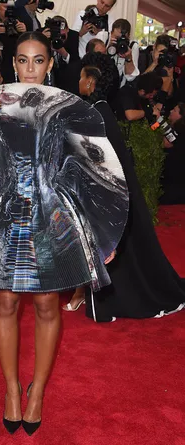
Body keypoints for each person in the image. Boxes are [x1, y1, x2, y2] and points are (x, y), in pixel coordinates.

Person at [0, 31, 129, 434]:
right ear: (13, 63)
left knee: (45, 304)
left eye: (38, 60)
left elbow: (93, 170)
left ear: (50, 64)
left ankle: (36, 391)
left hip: (51, 214)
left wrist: (99, 235)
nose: (29, 69)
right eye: (22, 60)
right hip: (3, 212)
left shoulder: (67, 108)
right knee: (5, 300)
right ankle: (10, 389)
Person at [63, 51, 185, 321]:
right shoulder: (100, 110)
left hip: (107, 193)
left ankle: (91, 292)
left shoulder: (97, 113)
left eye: (82, 76)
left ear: (91, 81)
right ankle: (81, 289)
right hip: (108, 190)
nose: (79, 81)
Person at [159, 103, 185, 205]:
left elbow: (171, 139)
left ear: (180, 116)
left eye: (174, 110)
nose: (170, 111)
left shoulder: (181, 131)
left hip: (176, 178)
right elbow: (154, 128)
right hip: (167, 175)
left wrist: (159, 119)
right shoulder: (170, 126)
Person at [107, 18, 139, 88]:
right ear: (111, 33)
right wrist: (108, 48)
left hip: (120, 87)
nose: (120, 42)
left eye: (123, 39)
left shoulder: (132, 46)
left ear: (129, 36)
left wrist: (128, 58)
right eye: (117, 38)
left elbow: (130, 78)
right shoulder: (105, 40)